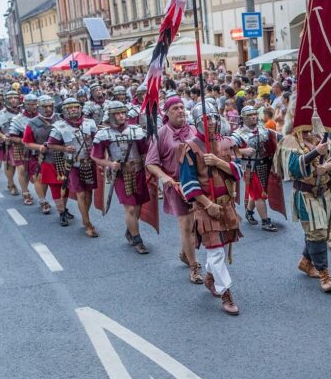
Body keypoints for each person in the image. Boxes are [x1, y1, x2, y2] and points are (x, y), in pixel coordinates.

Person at [178, 98, 243, 315]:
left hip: (226, 204)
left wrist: (218, 162)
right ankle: (226, 293)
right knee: (216, 252)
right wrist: (207, 204)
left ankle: (209, 277)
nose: (212, 122)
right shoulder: (190, 147)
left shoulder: (226, 142)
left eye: (214, 118)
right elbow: (188, 184)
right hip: (206, 207)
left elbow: (238, 171)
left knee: (220, 249)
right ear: (197, 121)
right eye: (206, 119)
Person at [145, 96, 204, 285]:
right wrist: (164, 177)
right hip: (176, 185)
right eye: (175, 108)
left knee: (197, 224)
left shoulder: (194, 130)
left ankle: (185, 253)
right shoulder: (160, 134)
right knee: (186, 226)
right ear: (167, 113)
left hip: (196, 183)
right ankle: (194, 267)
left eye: (181, 107)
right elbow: (150, 163)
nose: (180, 111)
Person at [281, 121, 331, 293]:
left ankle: (306, 262)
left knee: (321, 232)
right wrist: (316, 152)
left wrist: (327, 166)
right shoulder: (290, 141)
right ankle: (324, 273)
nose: (308, 131)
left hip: (325, 193)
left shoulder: (321, 137)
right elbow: (293, 167)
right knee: (317, 233)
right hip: (306, 195)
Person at [91, 101, 152, 254]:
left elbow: (146, 151)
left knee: (138, 206)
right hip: (120, 175)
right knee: (130, 207)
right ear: (111, 116)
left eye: (123, 113)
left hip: (138, 171)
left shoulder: (137, 131)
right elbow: (95, 156)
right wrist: (110, 164)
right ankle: (138, 240)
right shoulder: (103, 134)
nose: (121, 116)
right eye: (117, 113)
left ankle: (130, 231)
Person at [46, 97, 99, 236]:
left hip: (89, 162)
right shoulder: (59, 126)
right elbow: (50, 144)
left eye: (75, 107)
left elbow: (97, 141)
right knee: (81, 194)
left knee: (89, 193)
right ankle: (87, 223)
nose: (73, 109)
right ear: (65, 110)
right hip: (73, 164)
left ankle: (85, 217)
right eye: (70, 108)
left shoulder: (90, 123)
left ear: (80, 108)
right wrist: (64, 148)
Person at [232, 105, 279, 232]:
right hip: (250, 167)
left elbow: (272, 144)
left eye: (255, 114)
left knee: (257, 192)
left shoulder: (263, 129)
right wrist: (243, 151)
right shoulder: (237, 134)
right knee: (260, 195)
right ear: (243, 118)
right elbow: (229, 151)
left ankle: (248, 212)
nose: (253, 117)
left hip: (265, 165)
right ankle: (265, 221)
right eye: (250, 115)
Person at [21, 95, 58, 215]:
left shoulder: (58, 118)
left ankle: (60, 205)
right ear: (39, 107)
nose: (48, 109)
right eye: (45, 107)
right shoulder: (32, 123)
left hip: (57, 155)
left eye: (50, 106)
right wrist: (39, 147)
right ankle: (43, 201)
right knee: (39, 178)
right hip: (38, 156)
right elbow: (26, 143)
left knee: (56, 180)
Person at [6, 93, 39, 206]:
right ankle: (25, 193)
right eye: (29, 104)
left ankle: (38, 195)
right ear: (24, 105)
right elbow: (12, 136)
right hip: (21, 147)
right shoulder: (18, 119)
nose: (32, 106)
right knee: (22, 170)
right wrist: (23, 141)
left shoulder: (41, 117)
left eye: (34, 104)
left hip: (37, 147)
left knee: (34, 172)